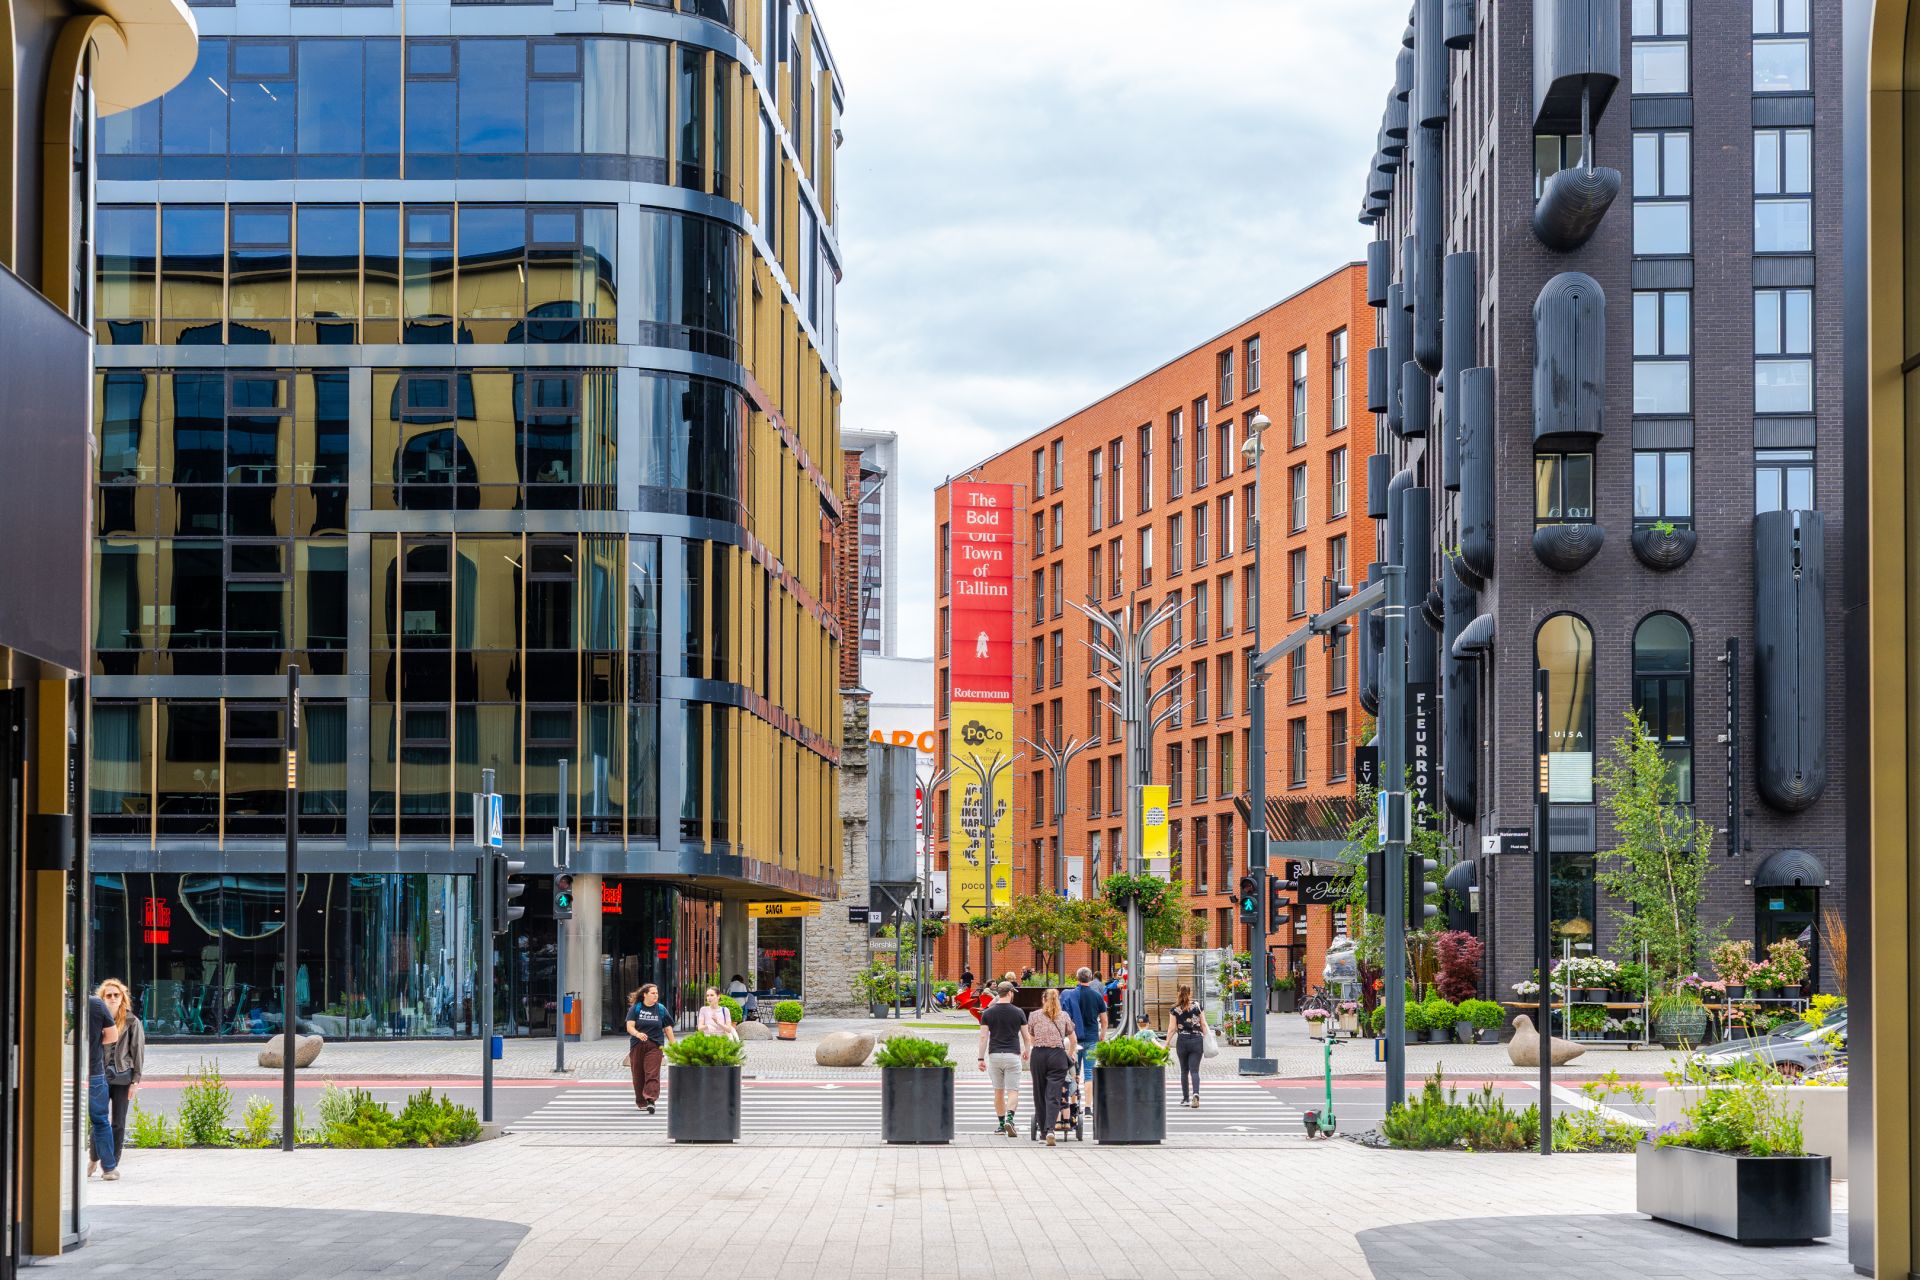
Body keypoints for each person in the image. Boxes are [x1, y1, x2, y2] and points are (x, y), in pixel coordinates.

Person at [1022, 987, 1079, 1146]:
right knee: (1053, 1095)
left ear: (1043, 1000)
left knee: (1039, 1094)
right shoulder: (1064, 1016)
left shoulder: (1034, 1015)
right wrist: (1070, 1054)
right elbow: (1073, 1040)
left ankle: (1042, 1132)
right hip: (1058, 1056)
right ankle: (1051, 1130)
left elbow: (1031, 1038)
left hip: (1039, 1055)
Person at [98, 979, 144, 1176]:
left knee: (118, 1122)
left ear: (122, 997)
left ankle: (112, 1164)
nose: (113, 998)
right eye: (108, 995)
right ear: (102, 998)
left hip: (123, 1077)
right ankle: (94, 1157)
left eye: (116, 995)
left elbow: (138, 1052)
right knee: (98, 1118)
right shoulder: (97, 1020)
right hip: (100, 1076)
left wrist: (135, 1081)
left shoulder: (132, 1022)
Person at [978, 981, 1027, 1136]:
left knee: (998, 1091)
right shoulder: (1019, 1012)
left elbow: (983, 1037)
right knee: (1013, 1090)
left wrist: (980, 1058)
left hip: (994, 1055)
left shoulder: (988, 1013)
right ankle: (1010, 1119)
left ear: (999, 993)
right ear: (1010, 993)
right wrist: (1027, 1051)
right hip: (1013, 1055)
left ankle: (1000, 1125)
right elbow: (1026, 1036)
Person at [84, 985, 121, 1180]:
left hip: (64, 1071)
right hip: (94, 1071)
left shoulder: (57, 1003)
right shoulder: (96, 1004)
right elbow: (112, 1035)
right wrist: (95, 1043)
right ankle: (108, 1169)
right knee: (100, 1120)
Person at [625, 984, 676, 1115]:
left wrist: (674, 1046)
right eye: (653, 993)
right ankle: (641, 1101)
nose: (656, 995)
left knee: (652, 1073)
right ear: (645, 994)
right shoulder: (636, 1008)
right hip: (637, 1045)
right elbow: (630, 1026)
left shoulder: (661, 1009)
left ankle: (651, 1100)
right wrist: (637, 1034)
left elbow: (668, 1028)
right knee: (638, 1075)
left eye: (656, 993)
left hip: (655, 1045)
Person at [1060, 967, 1106, 1105]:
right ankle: (1087, 1108)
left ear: (1077, 978)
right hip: (1092, 1037)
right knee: (1089, 1074)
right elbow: (1104, 1020)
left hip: (1074, 1039)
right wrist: (1102, 1035)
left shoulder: (1071, 994)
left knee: (1074, 1072)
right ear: (1090, 978)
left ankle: (1075, 1105)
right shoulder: (1097, 996)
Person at [1166, 983, 1210, 1108]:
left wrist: (1167, 1043)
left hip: (1182, 1041)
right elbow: (1203, 1024)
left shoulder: (1174, 1009)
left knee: (1184, 1071)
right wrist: (1207, 1038)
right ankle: (1196, 1094)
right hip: (1197, 1040)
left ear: (1178, 993)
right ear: (1190, 993)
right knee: (1194, 1071)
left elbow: (1172, 1028)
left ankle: (1185, 1099)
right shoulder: (1197, 1006)